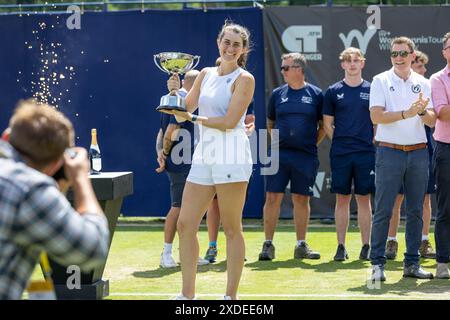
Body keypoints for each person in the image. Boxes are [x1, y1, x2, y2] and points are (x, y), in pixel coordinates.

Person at [165, 21, 255, 300]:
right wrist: (174, 94)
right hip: (204, 156)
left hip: (232, 157)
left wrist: (191, 117)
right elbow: (184, 112)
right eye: (226, 42)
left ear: (243, 50)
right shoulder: (204, 73)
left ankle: (230, 297)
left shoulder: (245, 79)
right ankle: (187, 295)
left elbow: (229, 122)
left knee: (231, 228)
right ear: (219, 43)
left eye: (236, 44)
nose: (230, 48)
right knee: (185, 224)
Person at [0, 100, 109, 300]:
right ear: (58, 164)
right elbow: (93, 249)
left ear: (6, 137)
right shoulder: (30, 190)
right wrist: (79, 178)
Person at [369, 37, 436, 281]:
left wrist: (420, 112)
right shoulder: (380, 80)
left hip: (418, 151)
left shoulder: (424, 83)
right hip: (389, 151)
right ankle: (377, 265)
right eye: (394, 53)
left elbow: (431, 120)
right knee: (384, 210)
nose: (398, 57)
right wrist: (406, 113)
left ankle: (411, 264)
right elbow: (376, 117)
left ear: (412, 55)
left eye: (403, 53)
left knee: (416, 211)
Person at [258, 52, 325, 261]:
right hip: (278, 154)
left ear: (299, 69)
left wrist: (308, 143)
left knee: (301, 198)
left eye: (286, 67)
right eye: (281, 67)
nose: (282, 71)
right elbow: (270, 123)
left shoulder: (316, 94)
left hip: (305, 156)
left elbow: (323, 126)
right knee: (272, 197)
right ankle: (268, 245)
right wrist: (280, 142)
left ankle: (300, 245)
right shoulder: (277, 94)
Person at [323, 47, 374, 261]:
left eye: (356, 60)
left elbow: (377, 121)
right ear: (342, 64)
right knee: (342, 199)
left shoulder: (373, 89)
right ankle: (341, 246)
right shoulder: (333, 91)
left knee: (364, 199)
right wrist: (343, 142)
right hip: (341, 153)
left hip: (365, 152)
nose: (352, 64)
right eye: (347, 60)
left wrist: (369, 140)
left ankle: (366, 246)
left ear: (362, 63)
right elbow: (327, 124)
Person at [203, 57, 256, 263]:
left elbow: (243, 121)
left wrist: (247, 127)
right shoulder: (208, 84)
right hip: (207, 154)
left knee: (233, 215)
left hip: (233, 155)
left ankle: (233, 252)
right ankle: (212, 246)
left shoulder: (243, 84)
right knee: (212, 206)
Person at [385, 50, 436, 260]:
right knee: (395, 199)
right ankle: (391, 241)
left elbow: (433, 119)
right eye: (419, 66)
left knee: (424, 199)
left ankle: (423, 241)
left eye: (424, 66)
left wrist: (422, 111)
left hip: (423, 148)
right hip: (396, 148)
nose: (423, 70)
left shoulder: (427, 86)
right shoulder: (392, 87)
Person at [156, 70, 209, 268]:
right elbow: (169, 131)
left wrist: (160, 152)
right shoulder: (183, 100)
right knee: (177, 208)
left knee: (190, 211)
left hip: (186, 162)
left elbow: (161, 132)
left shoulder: (177, 99)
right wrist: (165, 155)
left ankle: (188, 253)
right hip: (181, 163)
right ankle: (166, 254)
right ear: (195, 84)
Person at [430, 32, 450, 279]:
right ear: (444, 51)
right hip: (446, 149)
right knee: (446, 208)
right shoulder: (437, 78)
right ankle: (443, 261)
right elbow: (442, 112)